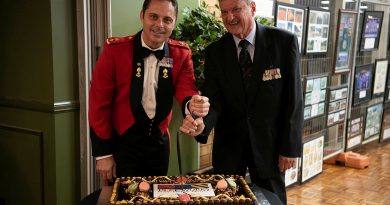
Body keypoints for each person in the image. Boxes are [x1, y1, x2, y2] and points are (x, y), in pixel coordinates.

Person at [180, 0, 303, 204]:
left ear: (252, 8)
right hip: (229, 149)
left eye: (236, 9)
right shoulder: (215, 52)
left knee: (272, 201)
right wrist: (201, 125)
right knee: (225, 200)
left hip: (269, 147)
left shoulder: (283, 42)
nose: (230, 17)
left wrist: (289, 147)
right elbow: (214, 101)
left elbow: (294, 99)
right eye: (224, 12)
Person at [88, 0, 209, 181]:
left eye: (167, 20)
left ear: (174, 23)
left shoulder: (181, 54)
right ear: (142, 16)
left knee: (155, 196)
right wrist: (104, 153)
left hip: (159, 144)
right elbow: (99, 103)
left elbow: (186, 91)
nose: (160, 25)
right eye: (154, 16)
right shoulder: (115, 50)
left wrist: (194, 108)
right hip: (122, 143)